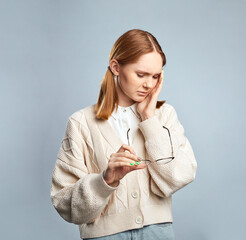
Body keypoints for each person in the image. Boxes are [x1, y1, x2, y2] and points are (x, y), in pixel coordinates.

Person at [50, 29, 197, 240]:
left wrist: (149, 120)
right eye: (141, 74)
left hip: (159, 232)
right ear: (116, 67)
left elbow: (179, 177)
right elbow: (65, 203)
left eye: (155, 76)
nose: (149, 84)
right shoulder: (81, 123)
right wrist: (105, 180)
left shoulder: (164, 116)